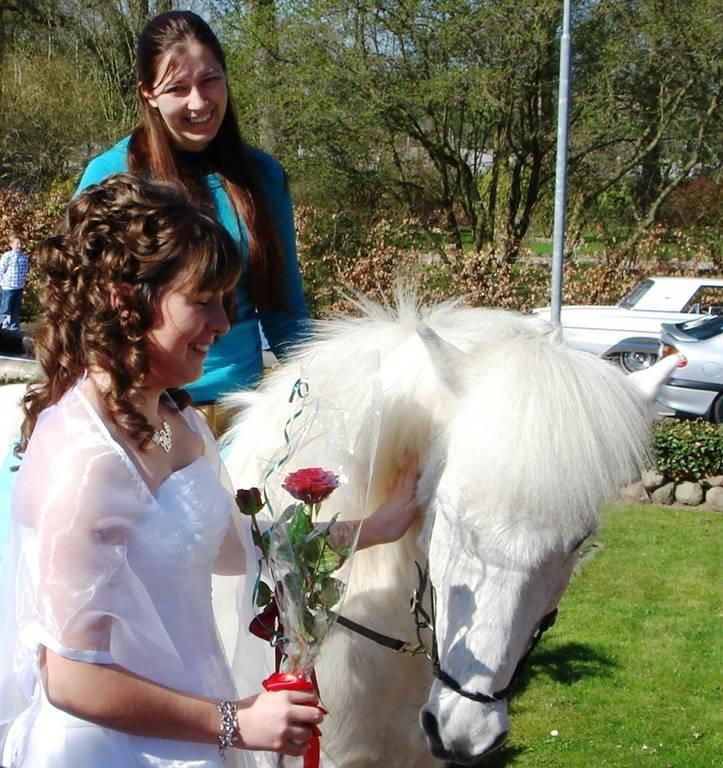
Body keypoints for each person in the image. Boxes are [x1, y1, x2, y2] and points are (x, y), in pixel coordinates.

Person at [0, 174, 420, 768]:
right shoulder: (84, 458)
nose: (224, 324)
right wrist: (235, 722)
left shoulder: (179, 423)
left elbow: (241, 545)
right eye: (202, 301)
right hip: (111, 749)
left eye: (226, 301)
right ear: (123, 298)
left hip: (192, 727)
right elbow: (71, 678)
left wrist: (375, 527)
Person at [77, 10, 310, 416]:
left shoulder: (264, 177)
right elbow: (83, 311)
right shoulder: (111, 176)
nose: (199, 102)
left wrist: (319, 387)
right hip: (145, 413)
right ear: (148, 94)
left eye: (210, 80)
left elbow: (285, 311)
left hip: (245, 412)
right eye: (178, 88)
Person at [0, 236, 30, 331]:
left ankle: (14, 328)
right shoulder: (7, 256)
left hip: (19, 287)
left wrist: (23, 283)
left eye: (20, 243)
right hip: (8, 287)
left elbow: (25, 271)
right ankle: (1, 326)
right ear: (11, 244)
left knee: (16, 310)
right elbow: (1, 270)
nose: (19, 245)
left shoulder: (24, 257)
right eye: (17, 243)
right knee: (5, 309)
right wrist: (2, 283)